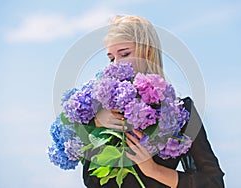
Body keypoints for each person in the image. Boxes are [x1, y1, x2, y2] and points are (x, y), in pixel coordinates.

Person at [82, 15, 225, 188]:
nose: (115, 65)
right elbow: (91, 180)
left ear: (147, 53)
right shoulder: (99, 112)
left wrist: (153, 170)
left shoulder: (180, 113)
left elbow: (214, 182)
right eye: (111, 58)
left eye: (125, 54)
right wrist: (96, 123)